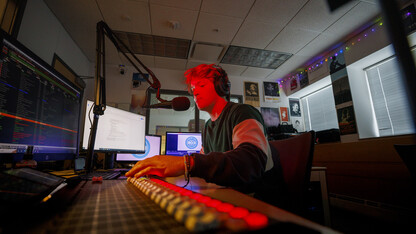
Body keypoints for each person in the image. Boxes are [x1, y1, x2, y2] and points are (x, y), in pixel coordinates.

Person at [126, 64, 287, 207]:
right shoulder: (208, 126)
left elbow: (250, 162)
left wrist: (186, 163)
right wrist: (169, 164)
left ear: (220, 87)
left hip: (259, 202)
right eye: (193, 89)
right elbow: (205, 159)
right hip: (232, 196)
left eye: (201, 85)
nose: (195, 93)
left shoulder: (243, 112)